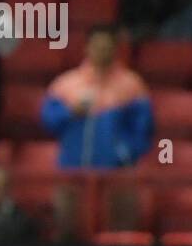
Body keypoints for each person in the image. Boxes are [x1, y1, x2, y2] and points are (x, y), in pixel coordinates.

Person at [41, 25, 152, 169]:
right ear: (86, 48)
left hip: (117, 173)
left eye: (106, 47)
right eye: (97, 46)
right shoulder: (66, 84)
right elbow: (49, 122)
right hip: (71, 171)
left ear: (116, 49)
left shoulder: (132, 85)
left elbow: (143, 129)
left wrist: (124, 154)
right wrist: (70, 112)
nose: (102, 51)